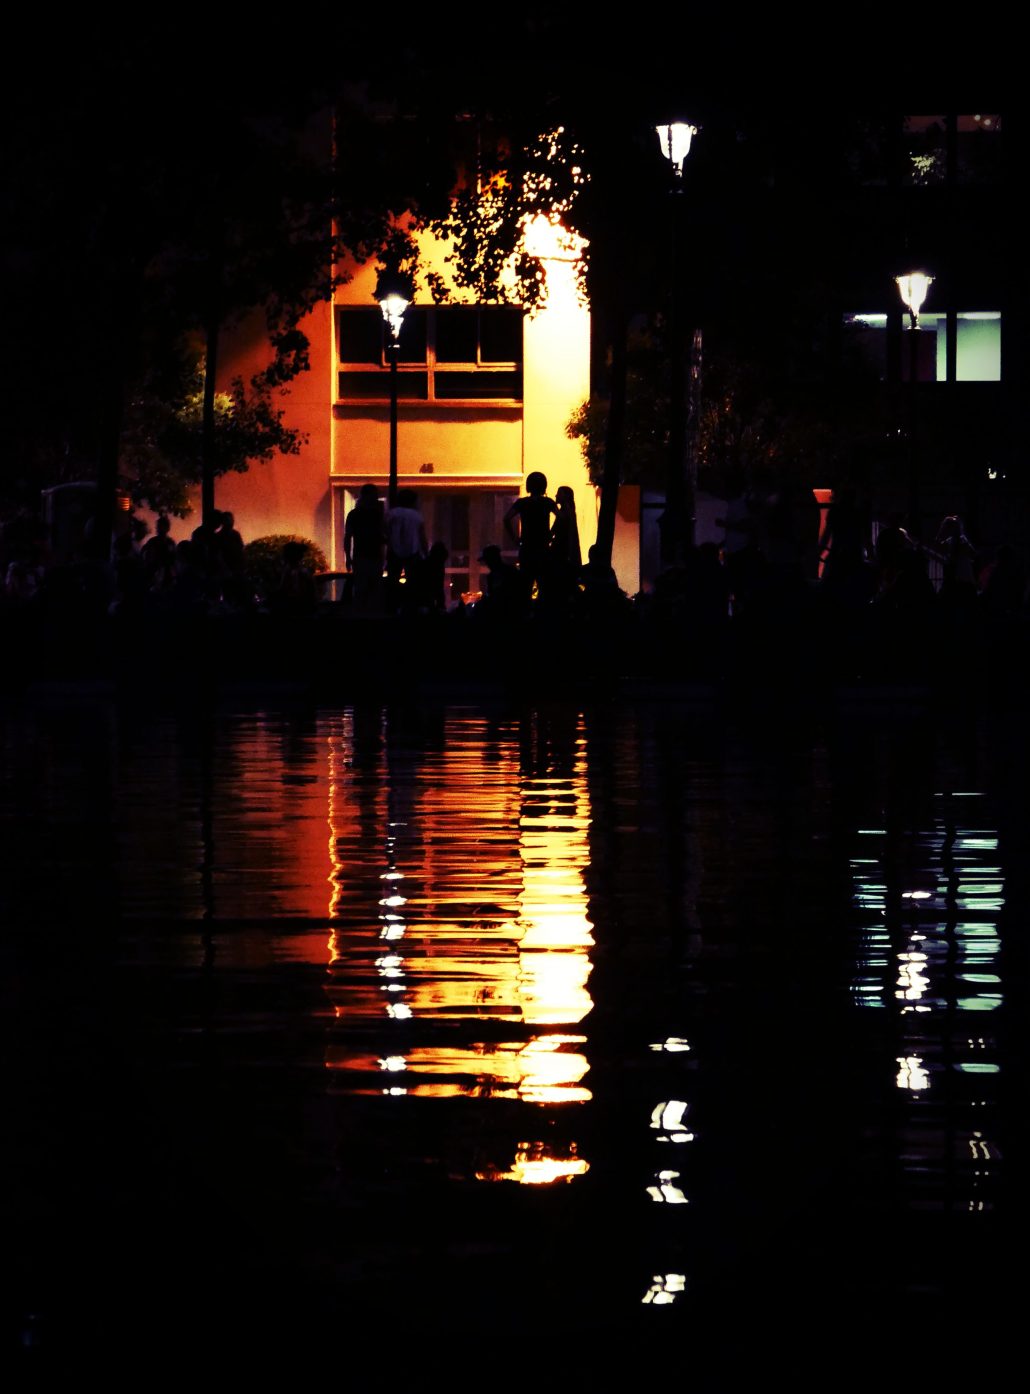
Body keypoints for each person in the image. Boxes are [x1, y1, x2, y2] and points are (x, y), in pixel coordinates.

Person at [504, 471, 557, 599]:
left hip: (527, 548)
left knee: (525, 586)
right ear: (544, 486)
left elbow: (506, 518)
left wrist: (514, 538)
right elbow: (561, 517)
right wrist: (551, 532)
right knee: (544, 586)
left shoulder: (522, 503)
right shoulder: (548, 502)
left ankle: (526, 609)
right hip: (543, 548)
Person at [344, 484, 385, 608]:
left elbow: (348, 536)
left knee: (361, 588)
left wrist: (348, 557)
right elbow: (384, 535)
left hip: (362, 556)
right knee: (373, 589)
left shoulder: (354, 514)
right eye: (375, 495)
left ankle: (361, 611)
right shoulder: (378, 514)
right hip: (372, 556)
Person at [385, 489, 428, 609]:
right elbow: (422, 536)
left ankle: (392, 606)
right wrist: (425, 553)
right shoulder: (417, 516)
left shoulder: (391, 514)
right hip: (412, 551)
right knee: (413, 583)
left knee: (392, 581)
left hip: (394, 551)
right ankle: (410, 607)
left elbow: (386, 531)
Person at [547, 485, 582, 603]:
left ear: (566, 496)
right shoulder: (568, 511)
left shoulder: (564, 512)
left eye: (559, 493)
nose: (556, 495)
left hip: (560, 551)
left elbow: (554, 531)